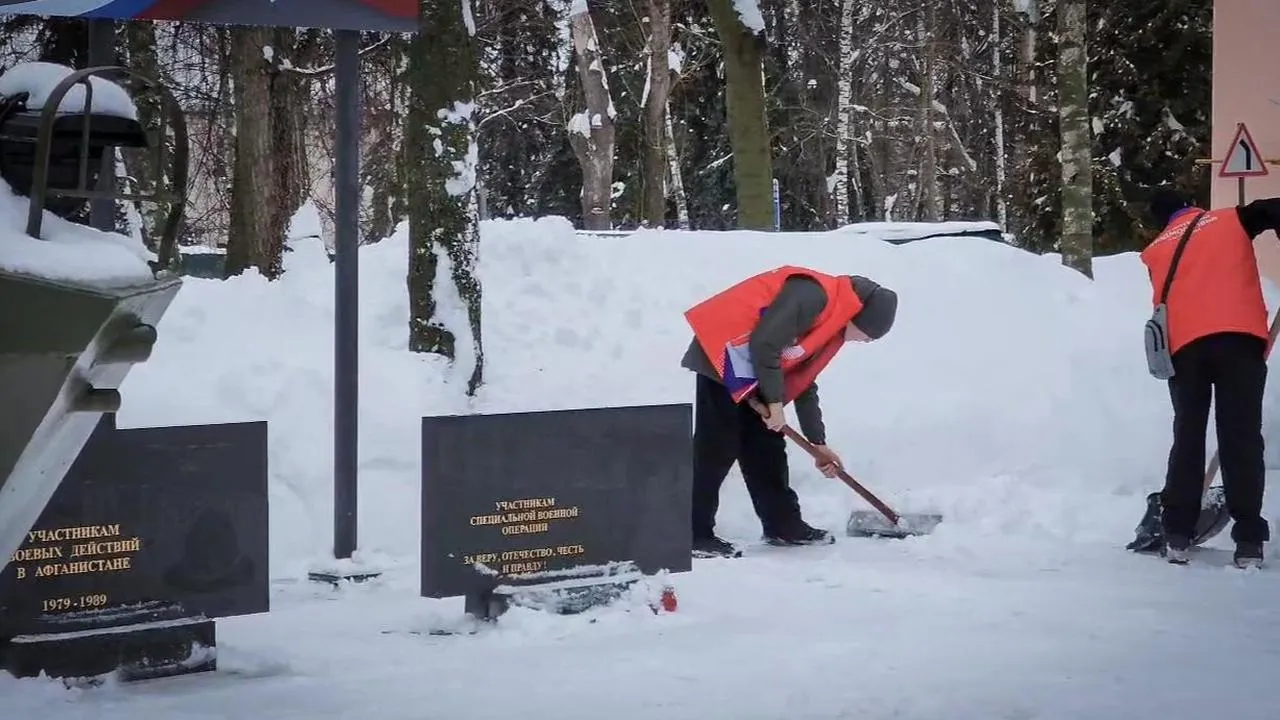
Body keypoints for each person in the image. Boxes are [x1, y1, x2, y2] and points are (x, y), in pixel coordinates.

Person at [680, 265, 899, 558]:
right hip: (723, 355)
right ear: (860, 317)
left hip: (753, 366)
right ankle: (694, 533)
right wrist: (773, 403)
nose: (867, 342)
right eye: (869, 335)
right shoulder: (814, 296)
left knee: (765, 446)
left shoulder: (831, 325)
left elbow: (803, 379)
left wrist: (817, 442)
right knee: (717, 447)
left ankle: (783, 525)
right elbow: (765, 342)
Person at [1140, 189, 1280, 568]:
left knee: (1187, 436)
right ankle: (1249, 539)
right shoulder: (1228, 220)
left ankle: (1178, 534)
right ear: (1190, 206)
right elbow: (1274, 209)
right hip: (1238, 339)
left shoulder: (1155, 251)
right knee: (1240, 436)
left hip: (1184, 348)